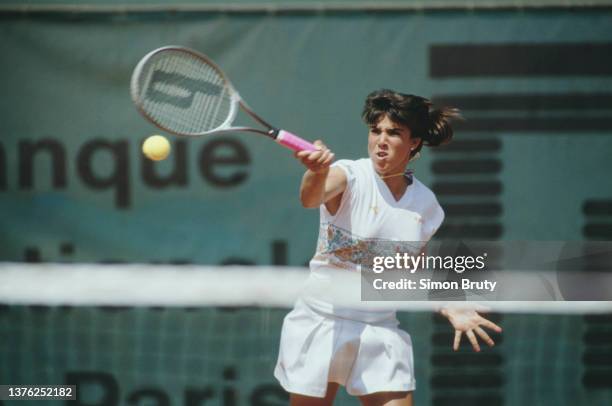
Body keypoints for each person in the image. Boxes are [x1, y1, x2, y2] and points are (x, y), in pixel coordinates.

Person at [274, 89, 502, 406]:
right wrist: (316, 171)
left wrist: (448, 303)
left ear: (414, 142)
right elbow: (310, 198)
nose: (381, 140)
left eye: (394, 133)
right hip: (320, 321)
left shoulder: (426, 205)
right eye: (376, 130)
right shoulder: (348, 175)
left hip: (379, 328)